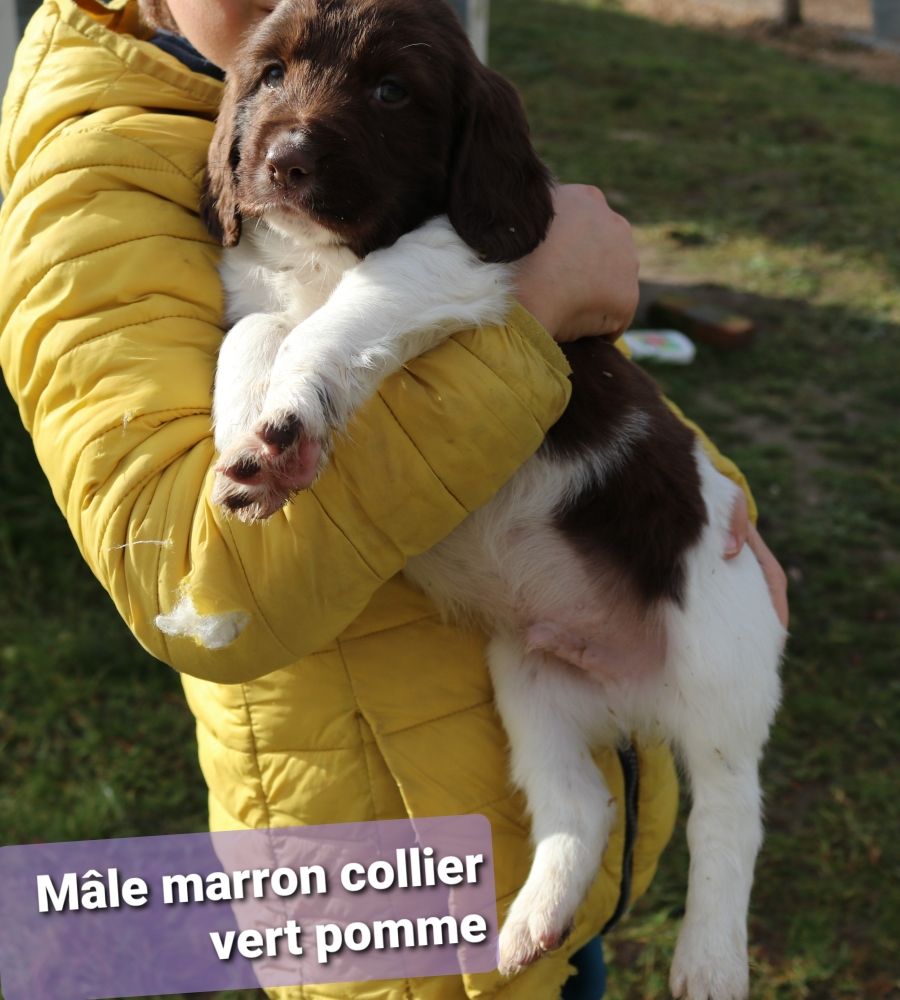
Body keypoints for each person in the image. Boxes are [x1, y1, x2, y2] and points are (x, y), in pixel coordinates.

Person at [0, 1, 787, 998]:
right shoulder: (94, 176)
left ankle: (589, 852)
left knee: (658, 778)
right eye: (276, 73)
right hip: (385, 895)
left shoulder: (317, 76)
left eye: (381, 88)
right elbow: (200, 580)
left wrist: (727, 496)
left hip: (519, 805)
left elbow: (556, 357)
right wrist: (538, 303)